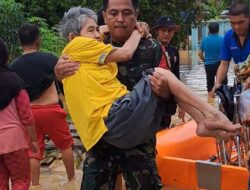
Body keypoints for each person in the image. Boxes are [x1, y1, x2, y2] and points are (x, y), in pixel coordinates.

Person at [55, 1, 240, 190]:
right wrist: (59, 75)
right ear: (104, 16)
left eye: (127, 13)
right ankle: (208, 117)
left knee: (161, 77)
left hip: (138, 140)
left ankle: (205, 119)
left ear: (136, 14)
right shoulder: (91, 43)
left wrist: (163, 92)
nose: (120, 19)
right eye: (113, 14)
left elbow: (173, 92)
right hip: (102, 141)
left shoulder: (152, 47)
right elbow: (72, 92)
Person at [9, 24, 75, 189]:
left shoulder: (13, 67)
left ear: (20, 41)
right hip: (51, 109)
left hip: (29, 114)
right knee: (65, 145)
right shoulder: (50, 58)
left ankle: (36, 185)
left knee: (34, 151)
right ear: (38, 40)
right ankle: (72, 181)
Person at [0, 38, 38, 190]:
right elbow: (26, 115)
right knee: (21, 181)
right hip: (13, 140)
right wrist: (33, 140)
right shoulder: (14, 80)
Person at [212, 2, 250, 96]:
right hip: (241, 84)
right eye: (233, 23)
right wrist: (217, 83)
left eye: (240, 22)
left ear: (249, 18)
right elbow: (224, 64)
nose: (236, 26)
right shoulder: (228, 37)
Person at [152, 15, 185, 121]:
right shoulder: (150, 49)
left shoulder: (174, 51)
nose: (166, 33)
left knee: (166, 125)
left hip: (168, 98)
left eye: (169, 30)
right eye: (163, 30)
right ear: (157, 31)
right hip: (152, 99)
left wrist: (182, 104)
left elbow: (176, 77)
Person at [198, 22, 227, 97]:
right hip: (220, 65)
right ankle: (221, 105)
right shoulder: (223, 39)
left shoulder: (205, 40)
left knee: (210, 85)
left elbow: (199, 53)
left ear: (209, 30)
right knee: (222, 85)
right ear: (218, 29)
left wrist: (205, 60)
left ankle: (210, 103)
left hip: (209, 66)